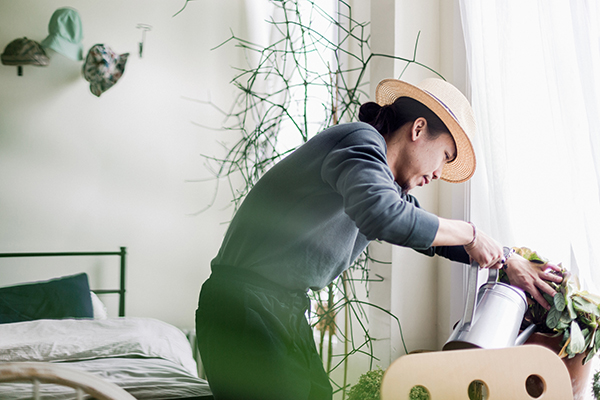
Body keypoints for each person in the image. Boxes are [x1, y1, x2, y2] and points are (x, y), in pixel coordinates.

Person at [195, 78, 563, 400]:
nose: (439, 172)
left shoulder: (379, 181)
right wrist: (471, 233)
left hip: (282, 307)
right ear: (418, 129)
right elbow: (386, 216)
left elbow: (421, 230)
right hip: (243, 306)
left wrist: (507, 258)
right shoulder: (360, 141)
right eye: (444, 155)